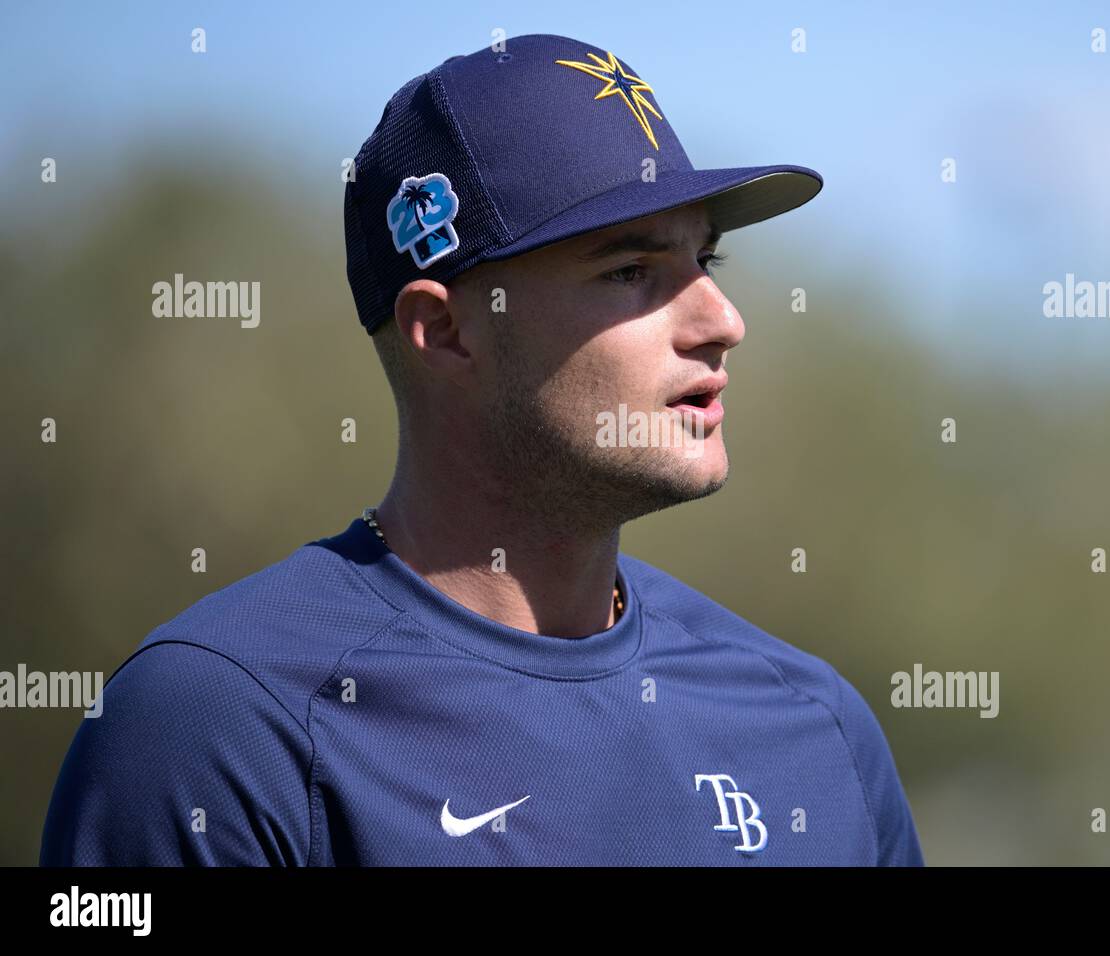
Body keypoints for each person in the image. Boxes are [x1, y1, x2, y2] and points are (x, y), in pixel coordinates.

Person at [40, 33, 923, 865]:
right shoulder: (217, 727)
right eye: (629, 272)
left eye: (708, 264)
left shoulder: (815, 727)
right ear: (446, 331)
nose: (723, 323)